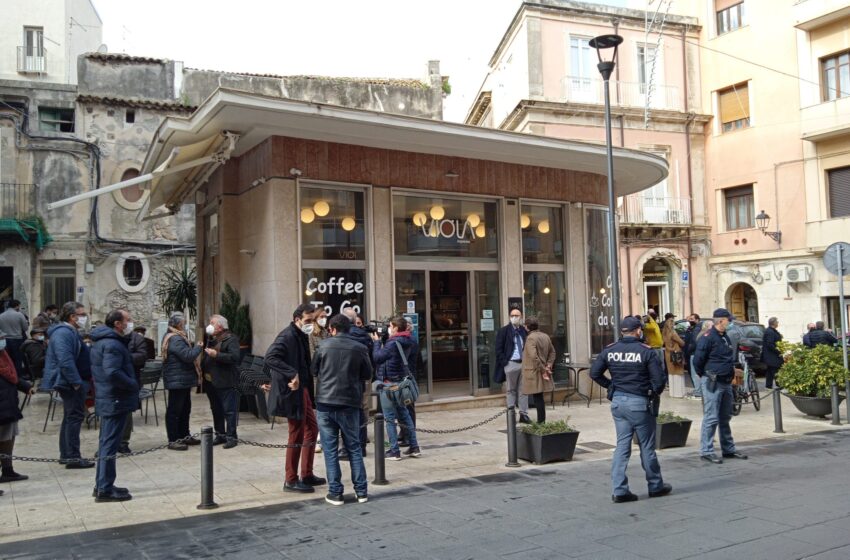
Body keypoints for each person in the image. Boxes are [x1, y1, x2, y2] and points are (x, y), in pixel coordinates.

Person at [590, 316, 671, 503]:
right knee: (647, 447)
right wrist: (651, 392)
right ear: (638, 331)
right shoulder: (646, 351)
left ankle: (619, 490)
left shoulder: (610, 350)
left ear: (622, 331)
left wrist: (611, 386)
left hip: (618, 403)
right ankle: (655, 485)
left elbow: (594, 373)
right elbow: (659, 382)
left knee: (622, 446)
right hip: (639, 403)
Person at [264, 304, 326, 493]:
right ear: (296, 319)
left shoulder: (301, 335)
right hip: (291, 391)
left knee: (312, 428)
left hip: (303, 390)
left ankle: (306, 474)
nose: (310, 324)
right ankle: (290, 479)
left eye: (312, 320)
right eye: (307, 320)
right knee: (296, 432)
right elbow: (270, 357)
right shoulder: (288, 336)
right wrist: (292, 374)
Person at [312, 314, 372, 506]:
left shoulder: (323, 346)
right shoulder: (360, 347)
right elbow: (368, 373)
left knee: (330, 450)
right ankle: (361, 491)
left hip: (325, 402)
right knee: (354, 447)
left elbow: (314, 370)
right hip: (349, 402)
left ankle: (335, 492)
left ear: (332, 328)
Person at [90, 309, 140, 502]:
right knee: (110, 443)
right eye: (127, 319)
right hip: (115, 398)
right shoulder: (112, 344)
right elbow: (112, 371)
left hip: (110, 397)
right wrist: (132, 383)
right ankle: (104, 488)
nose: (130, 322)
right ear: (118, 324)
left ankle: (103, 483)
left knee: (106, 443)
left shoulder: (105, 341)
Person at [41, 301, 94, 469]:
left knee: (70, 416)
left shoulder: (69, 331)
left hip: (74, 381)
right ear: (72, 317)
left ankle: (67, 454)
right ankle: (72, 456)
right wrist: (76, 382)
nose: (84, 318)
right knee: (74, 418)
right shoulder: (63, 333)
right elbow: (65, 360)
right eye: (82, 315)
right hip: (70, 383)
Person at [693, 308, 748, 464]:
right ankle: (706, 450)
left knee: (725, 417)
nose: (730, 322)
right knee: (711, 417)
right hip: (713, 381)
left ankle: (728, 449)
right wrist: (703, 374)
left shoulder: (725, 337)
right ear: (721, 321)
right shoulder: (708, 337)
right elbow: (698, 360)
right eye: (728, 320)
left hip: (725, 381)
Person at [372, 316, 420, 460]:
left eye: (390, 326)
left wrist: (377, 342)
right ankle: (414, 447)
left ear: (396, 328)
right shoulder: (409, 340)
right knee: (404, 414)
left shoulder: (393, 343)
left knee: (389, 418)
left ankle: (394, 450)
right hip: (400, 382)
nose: (389, 329)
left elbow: (377, 357)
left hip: (389, 384)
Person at [162, 313, 203, 450]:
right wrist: (198, 347)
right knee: (175, 411)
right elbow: (187, 356)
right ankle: (173, 439)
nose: (185, 325)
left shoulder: (176, 337)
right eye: (184, 323)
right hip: (177, 380)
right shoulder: (175, 339)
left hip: (181, 379)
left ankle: (184, 435)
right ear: (178, 324)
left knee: (185, 409)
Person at [0, 331, 35, 487]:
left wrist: (25, 386)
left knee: (8, 437)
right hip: (2, 406)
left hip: (8, 405)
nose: (3, 340)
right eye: (0, 338)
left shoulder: (3, 355)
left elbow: (11, 375)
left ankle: (8, 470)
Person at [202, 315, 241, 449]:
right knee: (216, 409)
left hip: (225, 381)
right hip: (211, 381)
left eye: (212, 323)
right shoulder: (213, 339)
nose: (210, 325)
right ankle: (220, 434)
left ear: (220, 327)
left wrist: (217, 355)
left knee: (229, 410)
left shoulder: (231, 339)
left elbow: (235, 357)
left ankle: (231, 437)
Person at [342, 307, 373, 459]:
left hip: (346, 380)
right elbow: (371, 359)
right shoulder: (365, 336)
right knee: (361, 412)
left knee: (347, 413)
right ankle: (361, 447)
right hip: (362, 379)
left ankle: (349, 447)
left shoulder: (342, 337)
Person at [494, 307, 530, 424]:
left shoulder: (524, 331)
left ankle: (523, 414)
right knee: (511, 390)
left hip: (523, 364)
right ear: (510, 317)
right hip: (511, 364)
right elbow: (498, 349)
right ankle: (511, 414)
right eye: (512, 315)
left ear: (521, 317)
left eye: (517, 315)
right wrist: (505, 363)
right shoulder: (504, 331)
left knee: (523, 390)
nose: (515, 317)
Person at [520, 317, 555, 423]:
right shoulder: (545, 336)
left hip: (535, 371)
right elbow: (552, 352)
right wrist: (548, 365)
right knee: (539, 397)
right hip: (541, 369)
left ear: (527, 327)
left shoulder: (531, 338)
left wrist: (544, 370)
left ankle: (541, 422)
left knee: (538, 397)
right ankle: (541, 421)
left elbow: (533, 356)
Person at [119, 323, 148, 455]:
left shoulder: (137, 338)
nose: (128, 323)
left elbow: (142, 356)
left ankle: (124, 442)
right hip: (111, 381)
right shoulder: (107, 338)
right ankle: (108, 442)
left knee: (127, 413)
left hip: (130, 378)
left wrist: (124, 358)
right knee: (108, 413)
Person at [0, 300, 29, 378]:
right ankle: (18, 377)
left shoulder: (1, 315)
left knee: (8, 359)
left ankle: (10, 376)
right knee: (18, 359)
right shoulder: (19, 315)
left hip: (5, 340)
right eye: (19, 306)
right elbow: (25, 328)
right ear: (16, 306)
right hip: (17, 339)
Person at [662, 317, 685, 398]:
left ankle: (672, 393)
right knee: (677, 372)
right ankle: (678, 393)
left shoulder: (664, 333)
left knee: (671, 373)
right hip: (676, 352)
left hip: (668, 353)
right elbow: (681, 343)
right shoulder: (673, 333)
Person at [682, 314, 702, 398]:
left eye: (692, 319)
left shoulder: (697, 329)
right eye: (689, 319)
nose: (690, 320)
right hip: (689, 353)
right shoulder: (690, 329)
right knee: (692, 372)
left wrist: (688, 351)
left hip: (693, 353)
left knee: (695, 373)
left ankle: (698, 391)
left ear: (697, 320)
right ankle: (697, 389)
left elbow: (693, 342)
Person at [762, 317, 783, 390]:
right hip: (772, 355)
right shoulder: (770, 332)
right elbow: (770, 344)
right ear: (773, 323)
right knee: (776, 369)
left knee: (770, 370)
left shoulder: (771, 331)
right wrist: (778, 350)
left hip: (771, 355)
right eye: (777, 322)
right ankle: (779, 385)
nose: (778, 323)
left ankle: (768, 385)